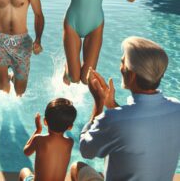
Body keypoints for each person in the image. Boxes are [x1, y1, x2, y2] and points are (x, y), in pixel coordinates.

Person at [71, 36, 180, 181]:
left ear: (132, 74)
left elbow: (86, 149)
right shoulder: (176, 108)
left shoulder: (112, 119)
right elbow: (139, 126)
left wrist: (98, 103)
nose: (120, 67)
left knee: (76, 168)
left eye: (122, 62)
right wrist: (111, 104)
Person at [20, 98, 77, 181]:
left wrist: (37, 130)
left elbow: (26, 152)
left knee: (24, 171)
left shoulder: (39, 139)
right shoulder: (70, 142)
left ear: (45, 122)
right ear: (70, 127)